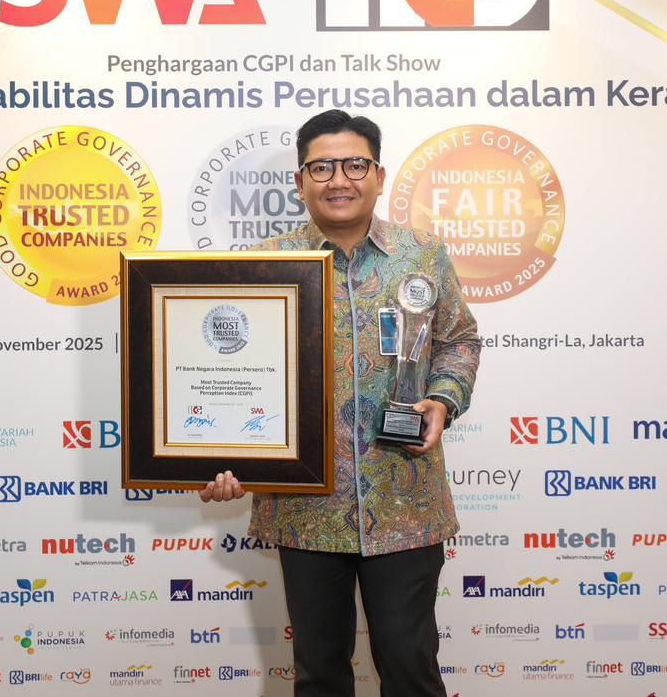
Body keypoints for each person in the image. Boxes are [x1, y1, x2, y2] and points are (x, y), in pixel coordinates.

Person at [201, 109, 481, 697]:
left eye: (355, 165)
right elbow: (228, 370)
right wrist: (222, 455)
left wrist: (442, 399)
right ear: (300, 182)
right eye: (321, 167)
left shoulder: (423, 255)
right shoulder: (267, 263)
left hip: (405, 498)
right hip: (306, 505)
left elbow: (458, 341)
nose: (339, 180)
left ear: (378, 175)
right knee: (320, 674)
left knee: (410, 668)